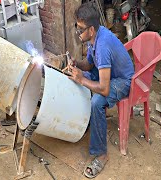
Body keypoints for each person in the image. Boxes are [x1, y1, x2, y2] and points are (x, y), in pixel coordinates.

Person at [68, 2, 134, 178]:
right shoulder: (93, 38)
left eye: (80, 28)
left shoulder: (103, 45)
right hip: (109, 74)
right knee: (80, 77)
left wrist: (82, 79)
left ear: (91, 29)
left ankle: (102, 154)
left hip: (123, 81)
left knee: (97, 101)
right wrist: (76, 63)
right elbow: (89, 65)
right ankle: (88, 122)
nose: (78, 31)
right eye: (77, 26)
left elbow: (104, 89)